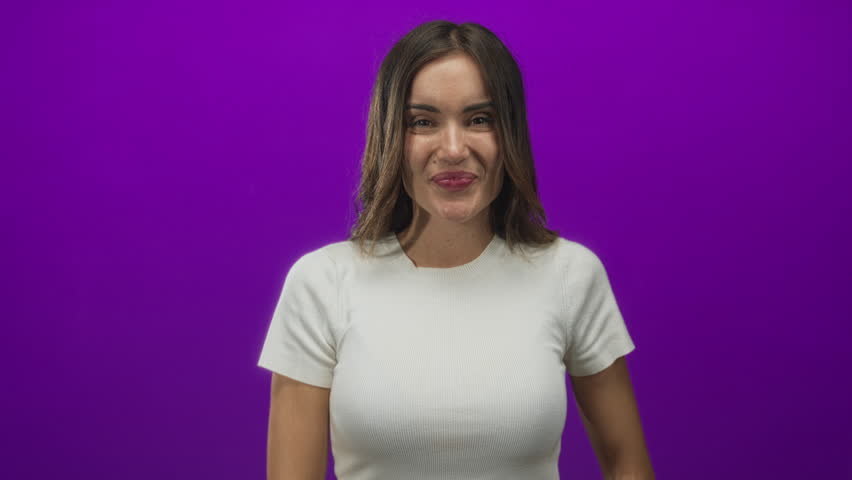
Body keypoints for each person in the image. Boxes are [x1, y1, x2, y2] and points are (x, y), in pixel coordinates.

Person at [258, 20, 655, 480]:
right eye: (423, 122)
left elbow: (629, 465)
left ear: (510, 134)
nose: (452, 148)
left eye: (479, 119)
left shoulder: (570, 275)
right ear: (390, 136)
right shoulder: (321, 283)